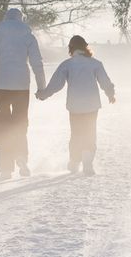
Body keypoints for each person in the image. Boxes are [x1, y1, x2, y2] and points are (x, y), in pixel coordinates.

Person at [0, 7, 46, 179]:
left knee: (3, 124)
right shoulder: (28, 36)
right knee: (20, 123)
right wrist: (41, 86)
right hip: (21, 85)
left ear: (6, 19)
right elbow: (37, 62)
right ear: (21, 20)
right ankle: (22, 158)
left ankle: (6, 168)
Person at [37, 35, 115, 176]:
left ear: (71, 48)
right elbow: (104, 80)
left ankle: (74, 162)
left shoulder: (67, 64)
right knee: (90, 133)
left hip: (75, 106)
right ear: (85, 47)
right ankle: (87, 163)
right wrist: (110, 93)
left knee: (76, 134)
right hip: (92, 105)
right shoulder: (95, 63)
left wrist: (44, 94)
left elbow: (56, 84)